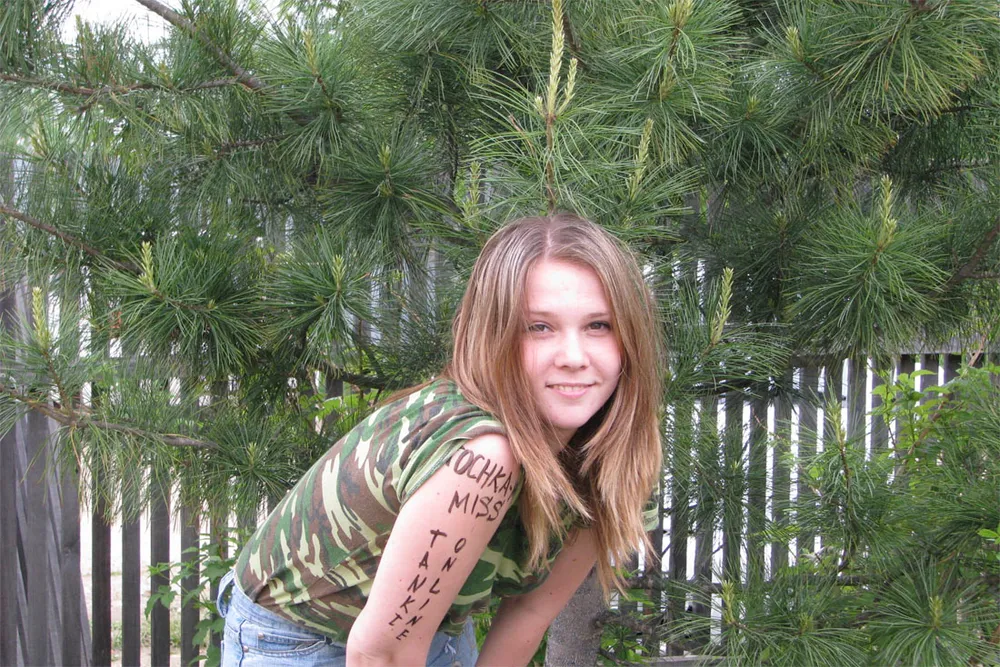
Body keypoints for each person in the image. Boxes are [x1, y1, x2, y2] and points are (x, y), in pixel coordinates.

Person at [216, 213, 664, 666]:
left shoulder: (619, 455)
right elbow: (381, 653)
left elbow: (529, 613)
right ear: (492, 334)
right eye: (538, 327)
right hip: (305, 636)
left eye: (599, 325)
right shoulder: (482, 457)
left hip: (427, 623)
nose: (573, 357)